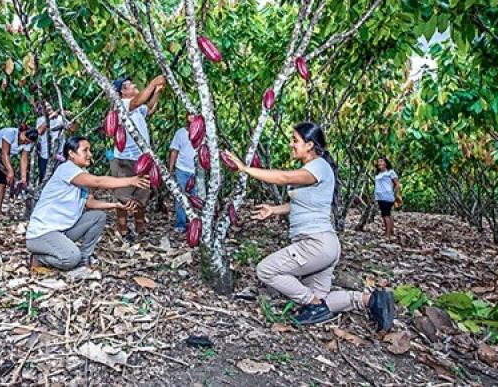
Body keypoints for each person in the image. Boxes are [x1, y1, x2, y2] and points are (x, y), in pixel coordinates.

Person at [224, 122, 395, 330]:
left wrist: (245, 169)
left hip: (315, 244)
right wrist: (273, 210)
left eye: (295, 141)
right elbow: (299, 203)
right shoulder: (313, 169)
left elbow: (283, 177)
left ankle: (313, 304)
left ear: (310, 145)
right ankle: (371, 300)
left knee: (266, 270)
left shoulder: (318, 166)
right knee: (321, 300)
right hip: (326, 246)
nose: (291, 145)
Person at [26, 136, 147, 271]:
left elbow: (90, 203)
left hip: (63, 230)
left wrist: (117, 205)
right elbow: (97, 182)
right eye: (85, 151)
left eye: (90, 150)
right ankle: (39, 258)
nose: (90, 154)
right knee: (70, 259)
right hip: (42, 233)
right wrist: (130, 181)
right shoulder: (66, 169)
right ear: (71, 154)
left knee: (98, 217)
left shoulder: (82, 173)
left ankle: (84, 259)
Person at [110, 75, 166, 238]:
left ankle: (139, 226)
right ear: (122, 92)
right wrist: (152, 82)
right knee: (123, 195)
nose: (134, 85)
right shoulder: (122, 105)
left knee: (141, 194)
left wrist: (156, 92)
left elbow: (149, 109)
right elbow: (137, 102)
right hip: (124, 159)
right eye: (129, 85)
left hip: (142, 159)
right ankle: (123, 227)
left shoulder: (136, 108)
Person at [0, 125, 38, 216]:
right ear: (22, 132)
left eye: (28, 142)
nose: (25, 142)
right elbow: (4, 153)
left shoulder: (28, 143)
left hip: (3, 159)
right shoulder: (10, 133)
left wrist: (23, 178)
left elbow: (24, 159)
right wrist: (10, 171)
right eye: (25, 139)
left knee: (2, 182)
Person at [168, 112, 197, 233]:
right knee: (180, 198)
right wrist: (170, 169)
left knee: (197, 199)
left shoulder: (204, 133)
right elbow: (174, 151)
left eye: (195, 114)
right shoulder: (180, 132)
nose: (192, 117)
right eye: (190, 114)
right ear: (186, 117)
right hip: (182, 170)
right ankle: (181, 224)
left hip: (197, 172)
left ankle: (195, 225)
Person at [35, 102, 75, 182]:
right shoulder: (40, 120)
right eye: (45, 107)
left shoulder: (60, 118)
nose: (49, 108)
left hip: (60, 155)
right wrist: (50, 118)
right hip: (46, 156)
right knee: (44, 180)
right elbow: (39, 131)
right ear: (41, 110)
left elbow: (72, 129)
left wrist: (72, 118)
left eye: (49, 105)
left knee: (61, 180)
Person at [375, 157, 402, 239]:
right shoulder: (378, 174)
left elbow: (397, 184)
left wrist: (395, 194)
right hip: (380, 197)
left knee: (385, 215)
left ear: (386, 163)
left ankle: (387, 234)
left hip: (387, 196)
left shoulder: (390, 172)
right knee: (387, 214)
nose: (379, 163)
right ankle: (391, 231)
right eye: (378, 162)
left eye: (381, 161)